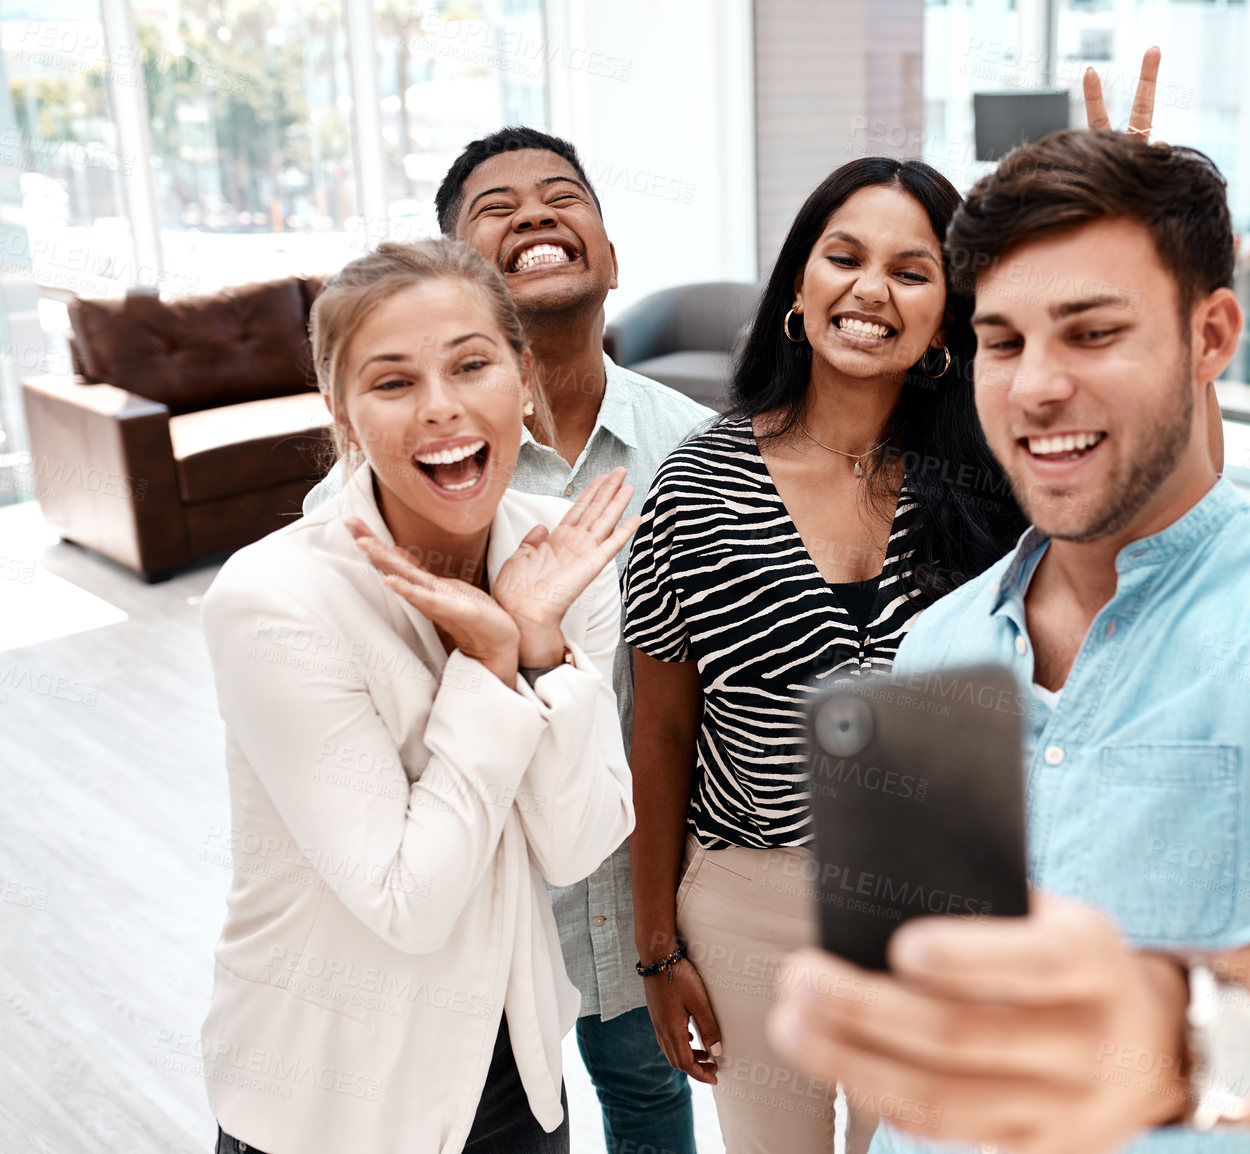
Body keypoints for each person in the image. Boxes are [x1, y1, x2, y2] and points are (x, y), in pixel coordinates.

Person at [765, 130, 1250, 1152]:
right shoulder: (938, 645)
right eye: (1006, 341)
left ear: (1210, 337)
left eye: (1092, 332)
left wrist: (1175, 1035)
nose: (1034, 388)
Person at [303, 126, 712, 1154]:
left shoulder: (701, 449)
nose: (534, 213)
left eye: (563, 194)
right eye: (495, 207)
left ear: (610, 258)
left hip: (639, 893)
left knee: (652, 1101)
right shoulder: (370, 494)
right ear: (456, 278)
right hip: (473, 911)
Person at [623, 155, 1027, 1153]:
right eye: (842, 256)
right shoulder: (694, 483)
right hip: (748, 901)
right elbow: (663, 726)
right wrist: (655, 947)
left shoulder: (995, 480)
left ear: (947, 316)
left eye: (911, 269)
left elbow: (1162, 499)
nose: (869, 290)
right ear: (798, 287)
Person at [199, 238, 638, 1153]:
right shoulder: (273, 600)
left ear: (522, 379)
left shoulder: (559, 552)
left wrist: (542, 645)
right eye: (393, 383)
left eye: (471, 365)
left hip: (514, 1071)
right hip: (331, 1094)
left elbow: (577, 845)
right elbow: (408, 900)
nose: (441, 408)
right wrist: (489, 660)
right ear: (343, 411)